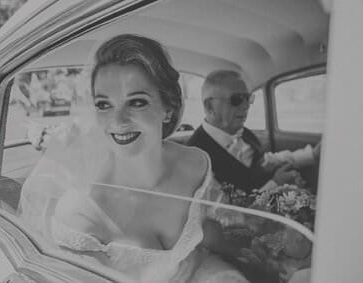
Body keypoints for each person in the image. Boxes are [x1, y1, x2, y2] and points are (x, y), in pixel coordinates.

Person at [18, 34, 246, 282]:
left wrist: (256, 253)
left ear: (168, 109)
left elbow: (204, 235)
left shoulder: (195, 164)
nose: (118, 121)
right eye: (104, 105)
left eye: (136, 102)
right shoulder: (81, 215)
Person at [186, 70, 319, 196]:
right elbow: (226, 211)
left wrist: (312, 155)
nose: (246, 106)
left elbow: (267, 161)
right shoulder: (195, 156)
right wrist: (276, 184)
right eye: (237, 99)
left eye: (248, 98)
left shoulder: (245, 134)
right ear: (210, 106)